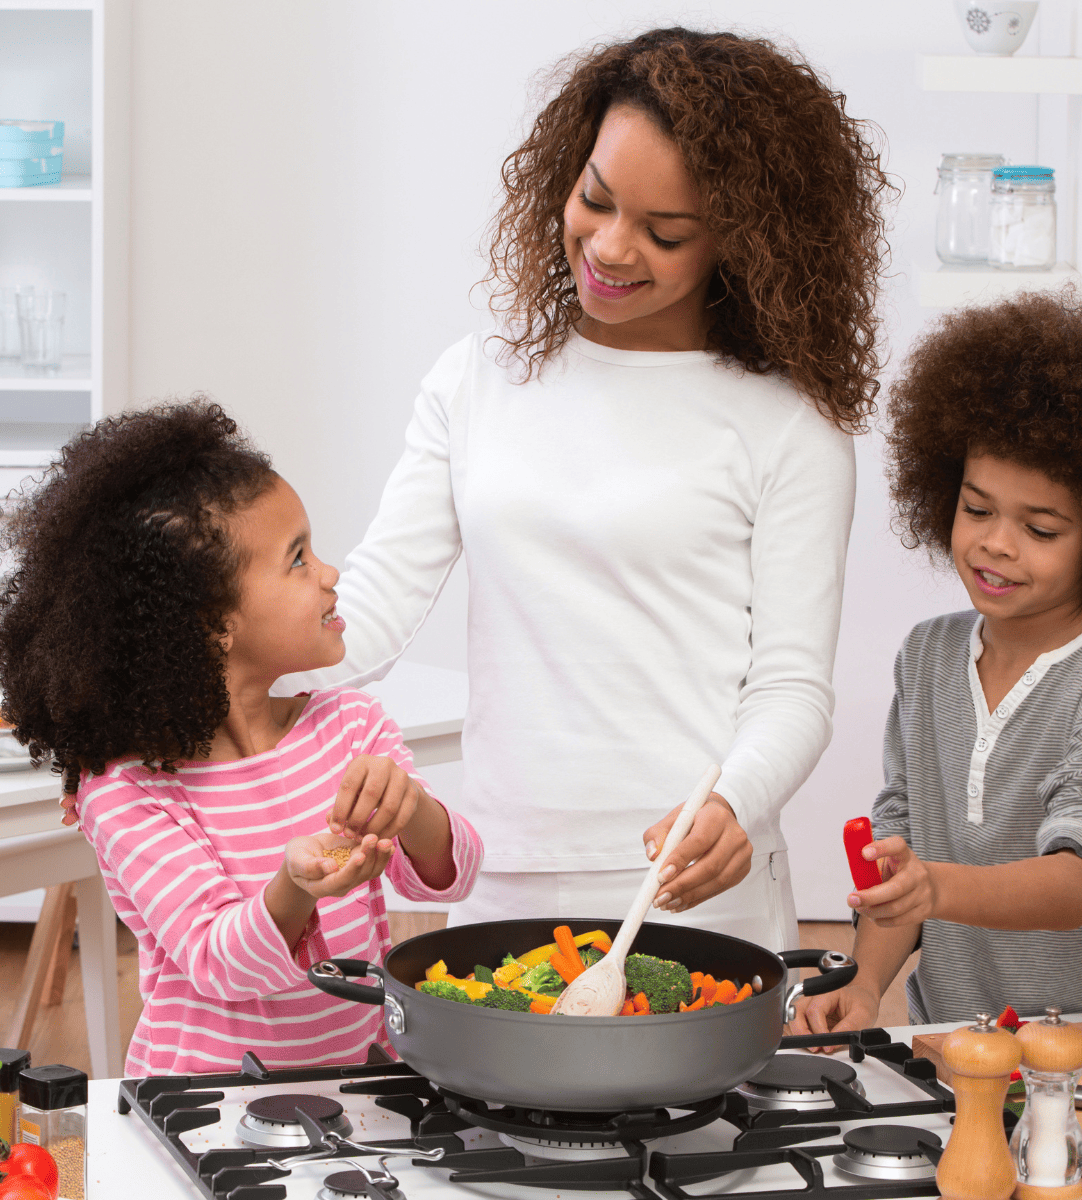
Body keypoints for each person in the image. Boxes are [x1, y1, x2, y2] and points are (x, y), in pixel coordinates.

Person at [270, 26, 892, 950]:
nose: (608, 246)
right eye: (594, 199)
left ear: (744, 239)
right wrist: (162, 710)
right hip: (500, 865)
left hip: (690, 876)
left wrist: (734, 799)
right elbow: (366, 618)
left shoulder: (789, 424)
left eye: (664, 232)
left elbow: (792, 687)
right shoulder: (477, 379)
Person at [0, 400, 482, 1075]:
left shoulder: (348, 728)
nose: (330, 574)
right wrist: (295, 886)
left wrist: (413, 809)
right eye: (297, 560)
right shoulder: (130, 791)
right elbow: (220, 961)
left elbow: (454, 876)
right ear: (213, 624)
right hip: (204, 1108)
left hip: (367, 1084)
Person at [792, 291, 1082, 1042]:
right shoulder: (928, 656)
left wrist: (934, 887)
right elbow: (903, 852)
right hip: (953, 1042)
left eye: (1040, 527)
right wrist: (863, 987)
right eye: (977, 509)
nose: (996, 545)